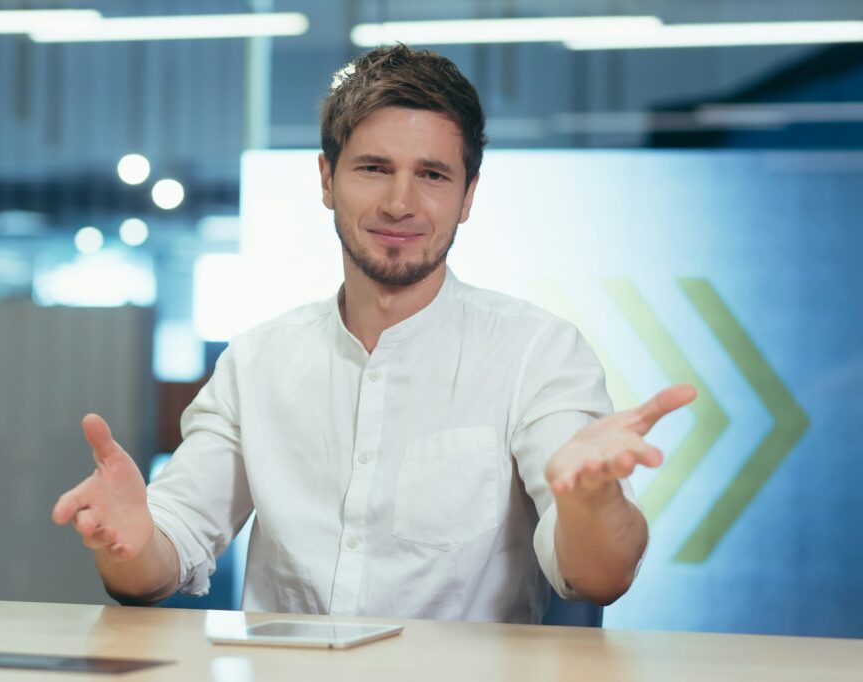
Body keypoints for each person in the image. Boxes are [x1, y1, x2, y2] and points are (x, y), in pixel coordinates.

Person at [51, 44, 696, 624]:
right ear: (327, 180)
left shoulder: (537, 351)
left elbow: (596, 577)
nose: (399, 203)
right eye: (373, 168)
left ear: (469, 195)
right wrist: (129, 544)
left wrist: (591, 503)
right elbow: (166, 550)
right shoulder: (258, 360)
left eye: (433, 175)